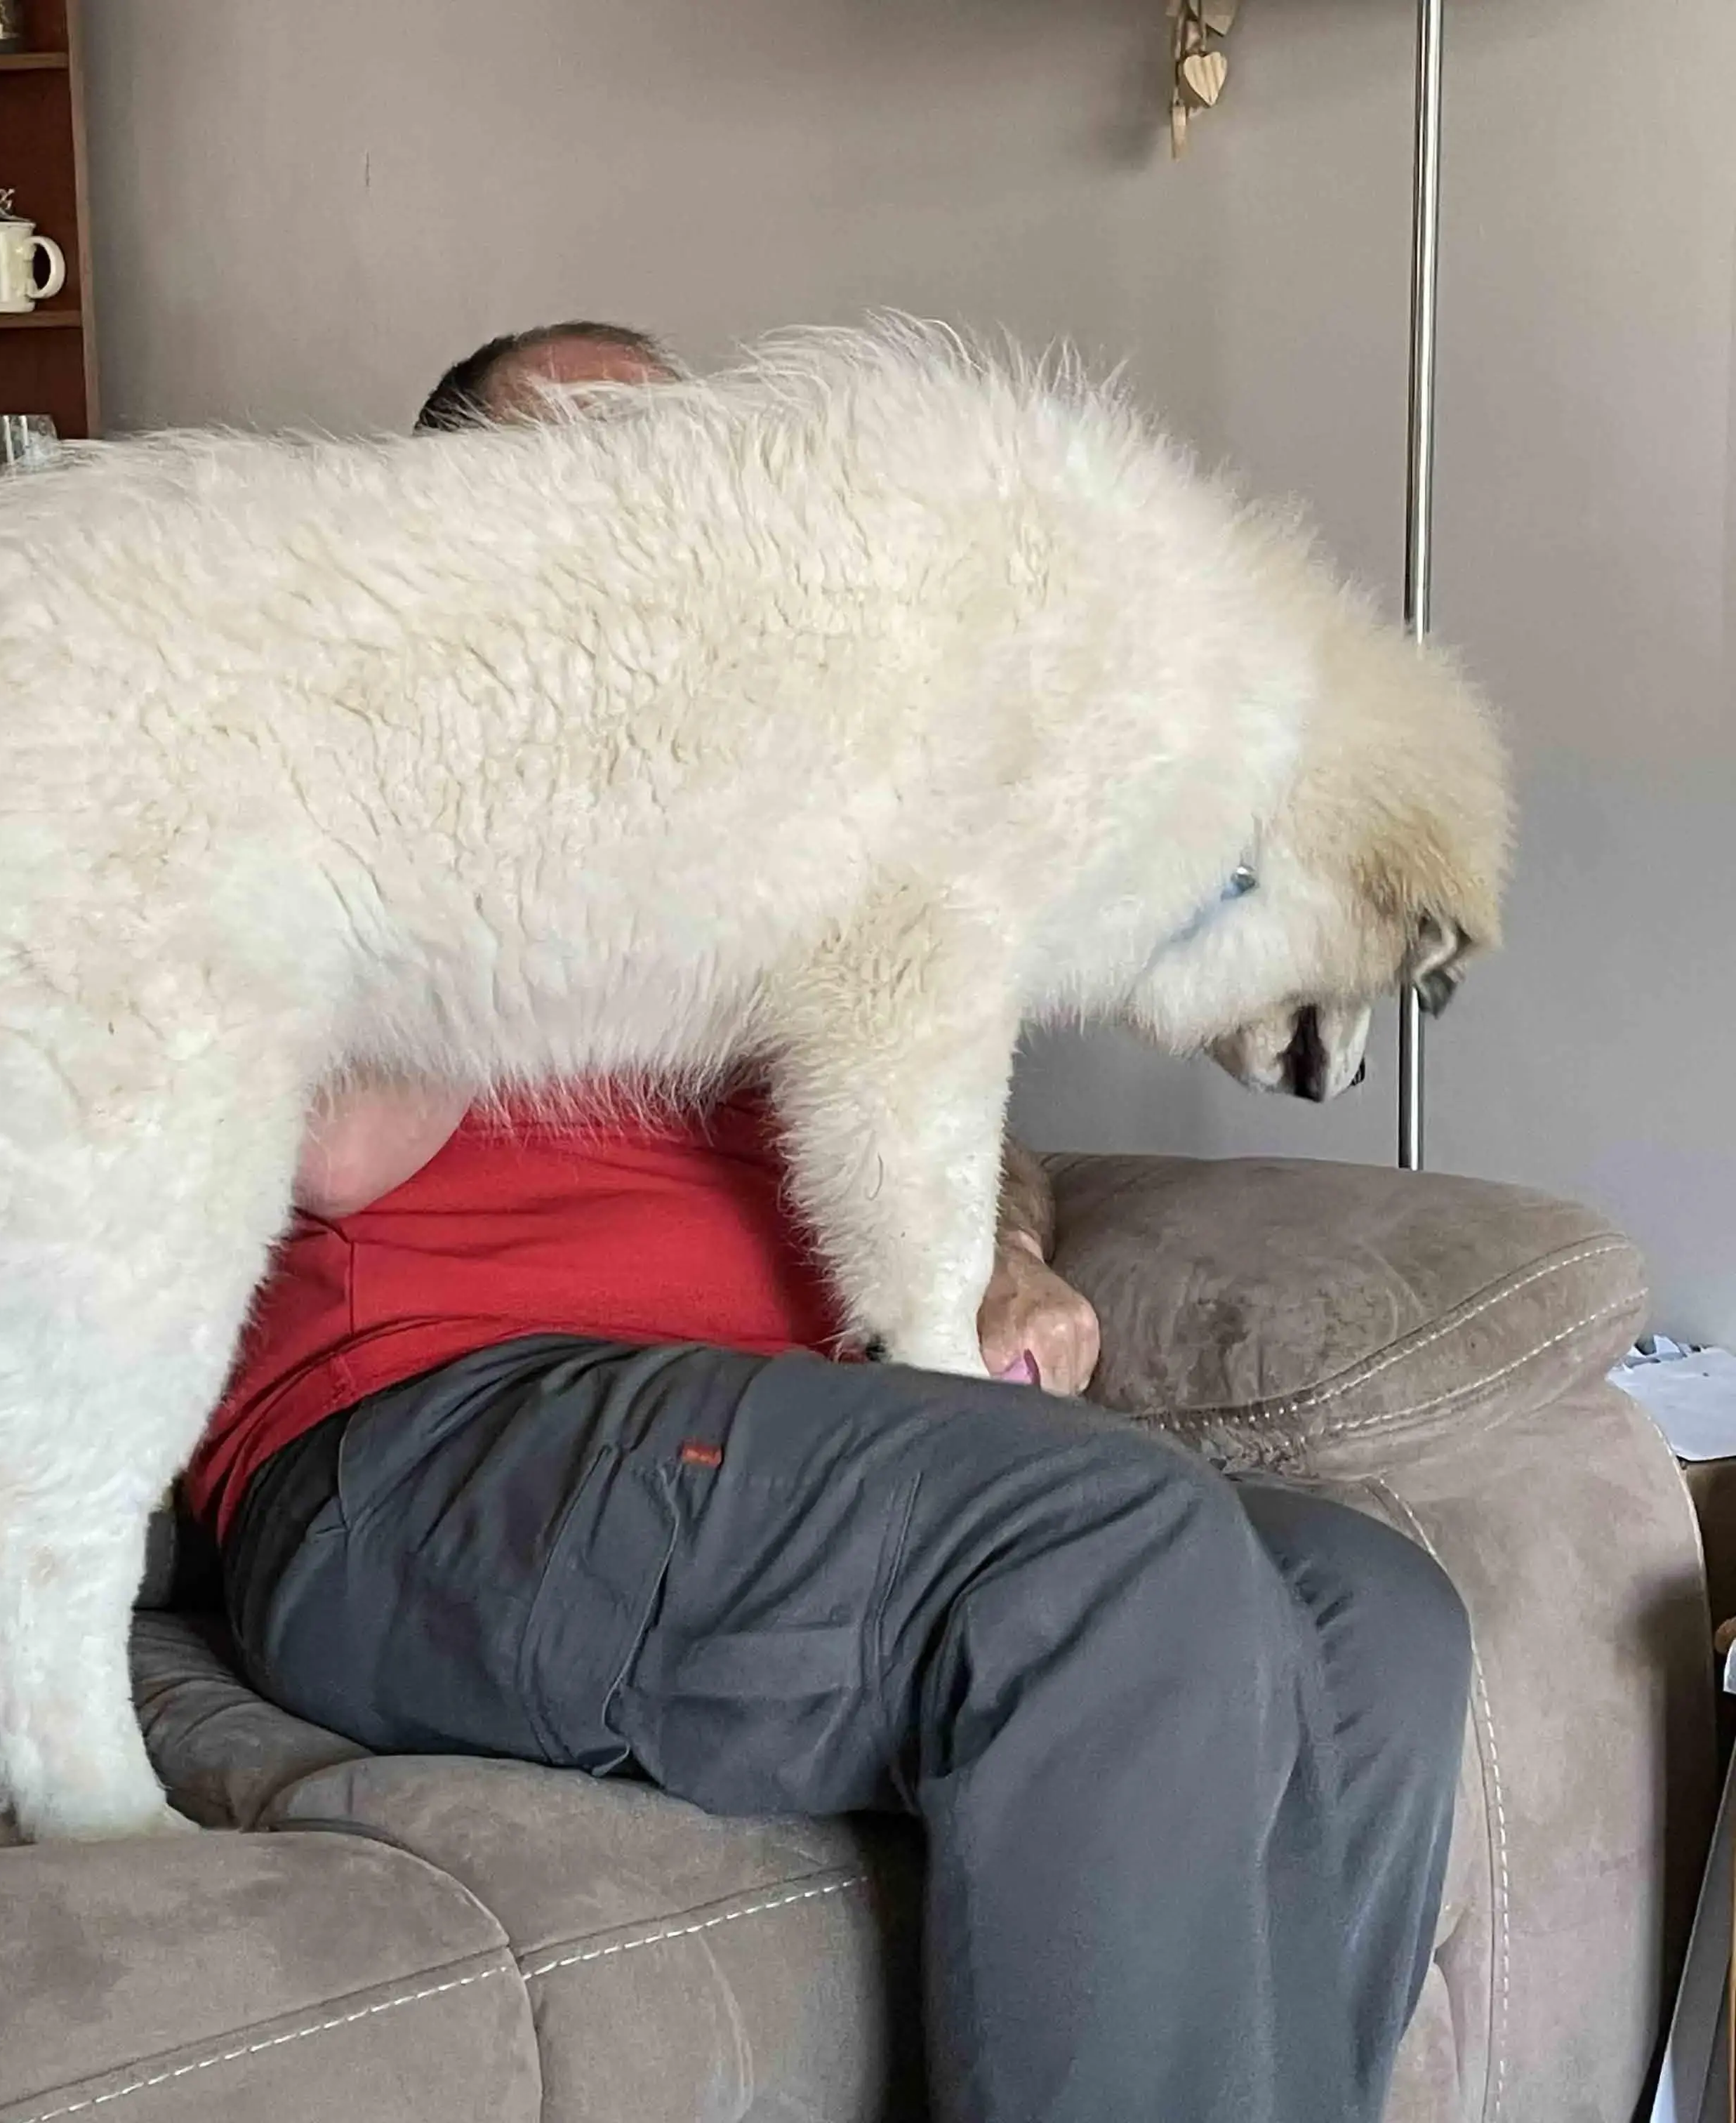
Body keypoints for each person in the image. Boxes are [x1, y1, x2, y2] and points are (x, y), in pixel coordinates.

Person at [187, 324, 1471, 2123]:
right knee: (1110, 1549)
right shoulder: (336, 729)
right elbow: (320, 1147)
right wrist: (546, 720)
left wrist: (1003, 1254)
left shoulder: (808, 791)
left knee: (1368, 1605)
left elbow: (946, 1111)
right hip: (421, 1450)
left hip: (778, 1453)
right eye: (602, 492)